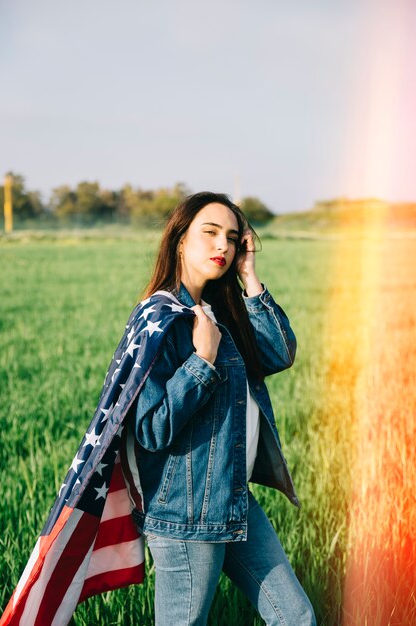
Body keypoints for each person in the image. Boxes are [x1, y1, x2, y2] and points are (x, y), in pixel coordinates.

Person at [125, 191, 316, 626]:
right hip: (185, 512)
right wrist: (201, 362)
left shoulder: (221, 310)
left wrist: (250, 277)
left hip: (233, 497)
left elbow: (280, 353)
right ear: (179, 240)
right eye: (209, 233)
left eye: (232, 238)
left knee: (295, 616)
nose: (223, 247)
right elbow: (152, 429)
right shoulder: (159, 319)